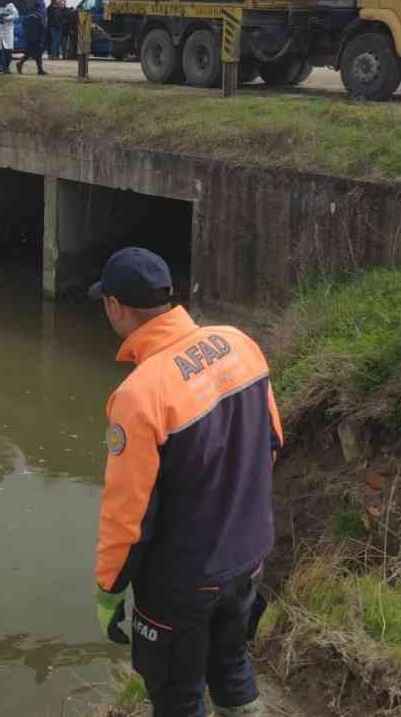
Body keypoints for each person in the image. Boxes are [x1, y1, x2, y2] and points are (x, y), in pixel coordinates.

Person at [89, 247, 282, 717]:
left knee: (177, 695)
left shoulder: (139, 394)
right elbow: (273, 442)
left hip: (183, 581)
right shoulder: (239, 344)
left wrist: (108, 589)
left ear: (116, 306)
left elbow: (127, 514)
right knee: (233, 667)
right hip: (249, 557)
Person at [15, 0, 47, 75]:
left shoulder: (28, 16)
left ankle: (40, 69)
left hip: (29, 38)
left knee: (34, 53)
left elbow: (25, 27)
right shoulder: (38, 16)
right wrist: (41, 39)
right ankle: (21, 63)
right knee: (33, 53)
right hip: (36, 38)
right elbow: (41, 28)